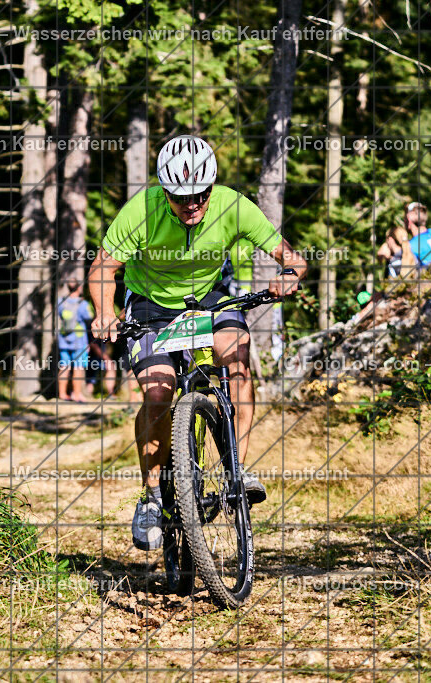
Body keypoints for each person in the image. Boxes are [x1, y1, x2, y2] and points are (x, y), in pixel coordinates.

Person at [88, 134, 308, 551]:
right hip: (150, 304)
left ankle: (235, 470)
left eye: (199, 195)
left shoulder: (232, 204)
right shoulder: (142, 211)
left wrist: (288, 277)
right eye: (179, 196)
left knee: (237, 361)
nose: (191, 205)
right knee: (158, 393)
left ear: (212, 188)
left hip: (210, 297)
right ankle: (152, 498)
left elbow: (293, 258)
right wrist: (103, 312)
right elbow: (103, 268)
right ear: (165, 191)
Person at [376, 202, 431, 279]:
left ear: (409, 221)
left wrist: (389, 257)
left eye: (405, 219)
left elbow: (403, 272)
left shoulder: (412, 246)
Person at [56, 278, 94, 402]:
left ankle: (62, 394)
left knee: (64, 366)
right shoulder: (83, 304)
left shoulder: (61, 302)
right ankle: (76, 394)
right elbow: (89, 318)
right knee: (78, 367)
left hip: (63, 338)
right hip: (79, 340)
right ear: (79, 288)